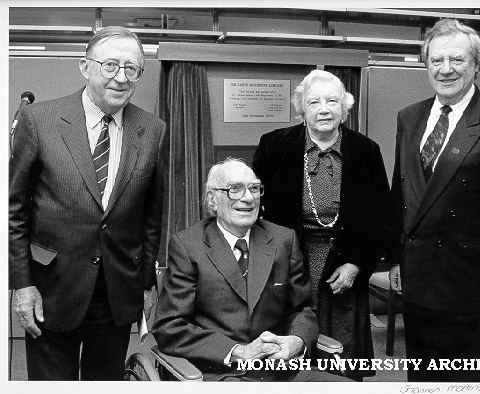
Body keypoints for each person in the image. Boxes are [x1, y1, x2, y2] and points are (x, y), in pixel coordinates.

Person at [9, 26, 166, 380]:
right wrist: (21, 283)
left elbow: (151, 217)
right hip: (51, 286)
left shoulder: (153, 129)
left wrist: (145, 284)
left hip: (116, 292)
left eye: (132, 69)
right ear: (85, 66)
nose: (121, 78)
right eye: (110, 65)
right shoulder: (40, 120)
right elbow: (13, 210)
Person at [388, 18, 480, 382]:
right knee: (421, 378)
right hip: (418, 278)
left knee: (470, 378)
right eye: (436, 60)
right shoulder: (410, 117)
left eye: (457, 60)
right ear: (426, 64)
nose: (446, 69)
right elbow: (401, 196)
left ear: (477, 64)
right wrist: (395, 260)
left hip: (472, 284)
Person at [252, 70, 395, 381]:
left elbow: (383, 216)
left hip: (344, 264)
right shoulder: (273, 146)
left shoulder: (366, 150)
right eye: (314, 102)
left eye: (332, 101)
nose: (324, 109)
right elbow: (253, 209)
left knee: (341, 355)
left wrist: (357, 264)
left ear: (344, 107)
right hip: (288, 263)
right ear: (302, 108)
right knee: (289, 345)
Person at [152, 159, 351, 382]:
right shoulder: (189, 246)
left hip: (282, 370)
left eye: (254, 188)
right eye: (234, 189)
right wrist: (239, 351)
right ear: (212, 199)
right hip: (220, 373)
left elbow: (303, 308)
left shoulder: (283, 240)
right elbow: (170, 327)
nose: (248, 198)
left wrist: (297, 340)